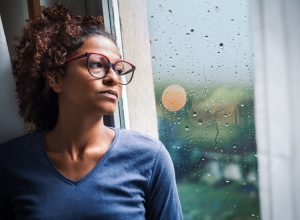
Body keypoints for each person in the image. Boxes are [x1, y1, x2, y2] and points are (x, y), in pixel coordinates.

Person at [0, 3, 183, 220]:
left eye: (118, 69)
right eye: (97, 64)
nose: (113, 78)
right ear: (56, 78)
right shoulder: (10, 162)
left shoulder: (150, 157)